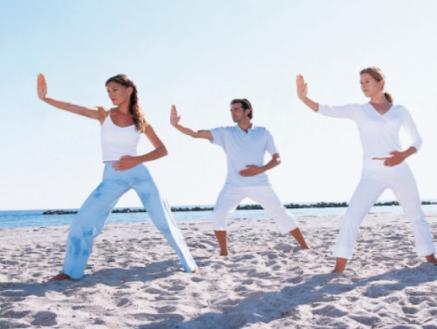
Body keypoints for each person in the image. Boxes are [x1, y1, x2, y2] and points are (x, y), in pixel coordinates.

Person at [36, 73, 197, 280]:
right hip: (112, 176)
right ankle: (70, 272)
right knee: (82, 221)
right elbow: (75, 108)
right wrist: (46, 99)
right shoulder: (104, 114)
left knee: (164, 220)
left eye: (115, 89)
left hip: (139, 174)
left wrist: (136, 160)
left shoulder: (141, 121)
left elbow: (162, 150)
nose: (111, 95)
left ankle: (189, 265)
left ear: (129, 89)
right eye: (108, 91)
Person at [296, 67, 436, 273]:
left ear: (380, 83)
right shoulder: (358, 110)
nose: (362, 86)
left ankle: (431, 259)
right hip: (372, 174)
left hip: (400, 170)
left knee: (416, 214)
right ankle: (339, 267)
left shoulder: (400, 111)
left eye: (367, 81)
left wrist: (402, 155)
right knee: (352, 216)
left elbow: (417, 140)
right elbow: (326, 109)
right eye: (360, 82)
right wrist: (303, 98)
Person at [170, 99, 309, 256]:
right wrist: (177, 126)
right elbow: (196, 134)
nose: (232, 113)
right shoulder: (226, 133)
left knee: (281, 213)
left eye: (236, 109)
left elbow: (277, 159)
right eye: (231, 110)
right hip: (233, 185)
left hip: (260, 184)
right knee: (218, 214)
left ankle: (304, 246)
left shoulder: (263, 132)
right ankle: (224, 252)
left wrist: (259, 170)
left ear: (247, 111)